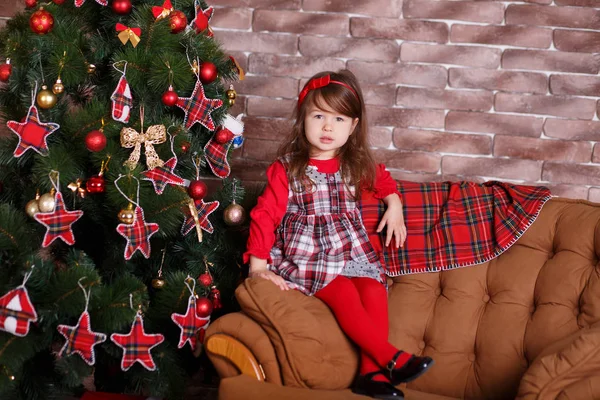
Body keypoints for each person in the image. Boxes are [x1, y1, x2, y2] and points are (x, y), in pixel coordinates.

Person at [244, 70, 433, 399]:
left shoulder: (354, 164)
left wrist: (395, 204)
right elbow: (265, 215)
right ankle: (391, 358)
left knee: (374, 288)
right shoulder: (287, 168)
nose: (328, 127)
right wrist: (258, 266)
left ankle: (370, 376)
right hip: (307, 254)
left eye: (339, 118)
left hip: (349, 251)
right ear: (303, 119)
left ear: (354, 126)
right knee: (343, 291)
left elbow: (384, 179)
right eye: (319, 116)